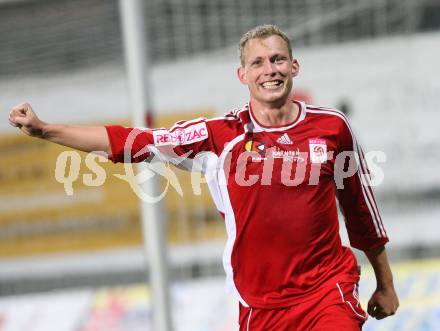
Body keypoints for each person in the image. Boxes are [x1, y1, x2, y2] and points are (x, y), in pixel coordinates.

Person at [8, 25, 398, 330]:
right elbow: (134, 141)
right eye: (259, 63)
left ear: (294, 67)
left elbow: (361, 211)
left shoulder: (331, 128)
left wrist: (385, 283)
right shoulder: (219, 135)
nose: (270, 70)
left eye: (278, 59)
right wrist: (46, 130)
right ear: (242, 74)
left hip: (326, 292)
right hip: (260, 304)